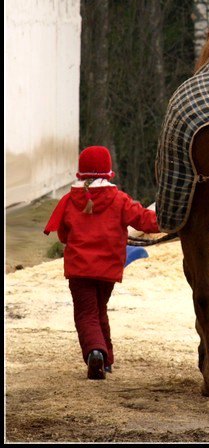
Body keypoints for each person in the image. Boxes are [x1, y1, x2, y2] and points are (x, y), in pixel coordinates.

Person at [44, 145, 160, 380]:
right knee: (100, 312)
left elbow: (63, 235)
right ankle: (106, 360)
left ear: (81, 172)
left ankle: (95, 352)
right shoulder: (119, 199)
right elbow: (145, 222)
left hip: (79, 270)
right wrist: (175, 217)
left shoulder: (69, 200)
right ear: (108, 172)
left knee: (86, 314)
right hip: (108, 271)